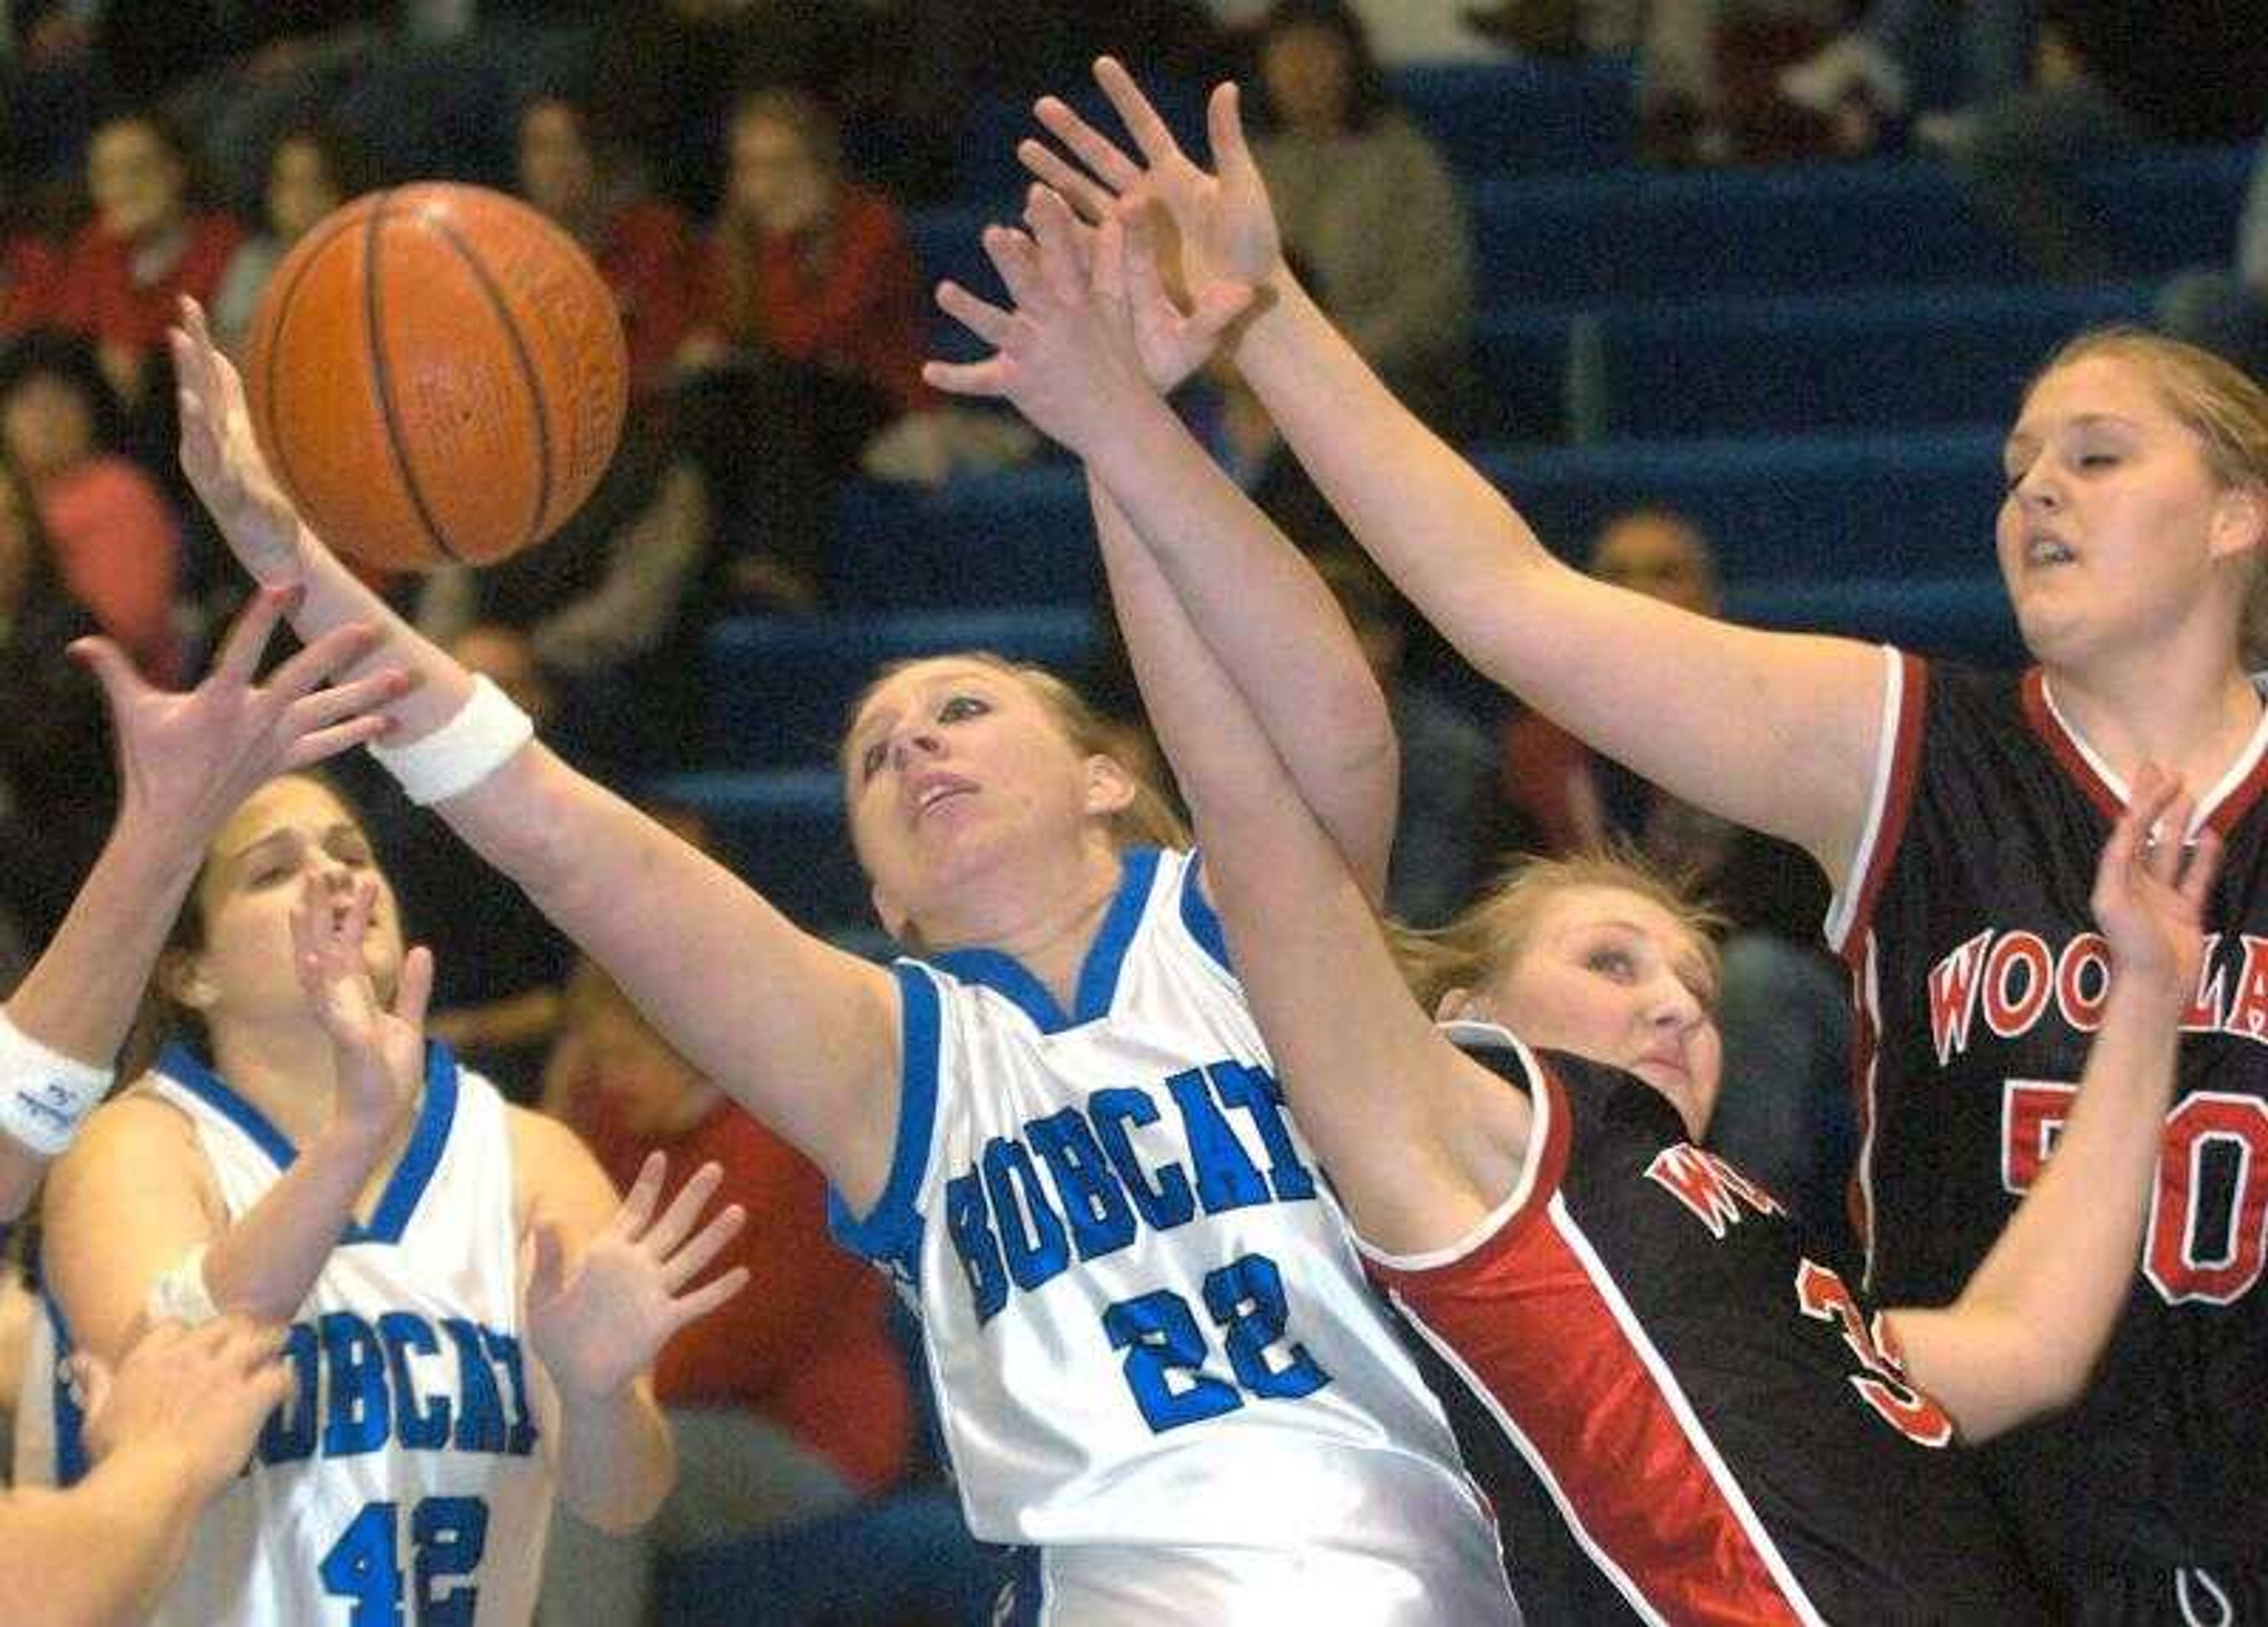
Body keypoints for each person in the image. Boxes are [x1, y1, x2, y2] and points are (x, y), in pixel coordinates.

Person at [1019, 57, 2268, 1619]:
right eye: (2016, 467)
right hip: (1973, 1513)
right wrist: (1269, 317)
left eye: (2095, 457)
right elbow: (1510, 600)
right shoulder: (1908, 740)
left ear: (2238, 513)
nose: (2034, 497)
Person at [165, 293, 1522, 1623]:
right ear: (880, 887)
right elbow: (563, 839)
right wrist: (292, 558)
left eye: (963, 710)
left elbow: (1337, 728)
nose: (915, 745)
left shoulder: (1246, 924)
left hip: (1418, 1559)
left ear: (1104, 777)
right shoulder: (890, 1053)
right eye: (876, 754)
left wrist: (1126, 429)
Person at [27, 615, 752, 1623]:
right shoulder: (138, 1145)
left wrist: (592, 1395)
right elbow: (169, 1372)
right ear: (189, 971)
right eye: (272, 870)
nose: (334, 876)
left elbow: (622, 1497)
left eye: (350, 851)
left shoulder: (526, 1152)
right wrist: (354, 1137)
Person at [538, 950, 914, 1627]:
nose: (612, 1082)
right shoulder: (617, 1124)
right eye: (600, 1061)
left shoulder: (788, 1143)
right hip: (671, 1402)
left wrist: (582, 1384)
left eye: (625, 1058)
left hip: (806, 1435)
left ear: (689, 1043)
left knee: (584, 1472)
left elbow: (735, 1345)